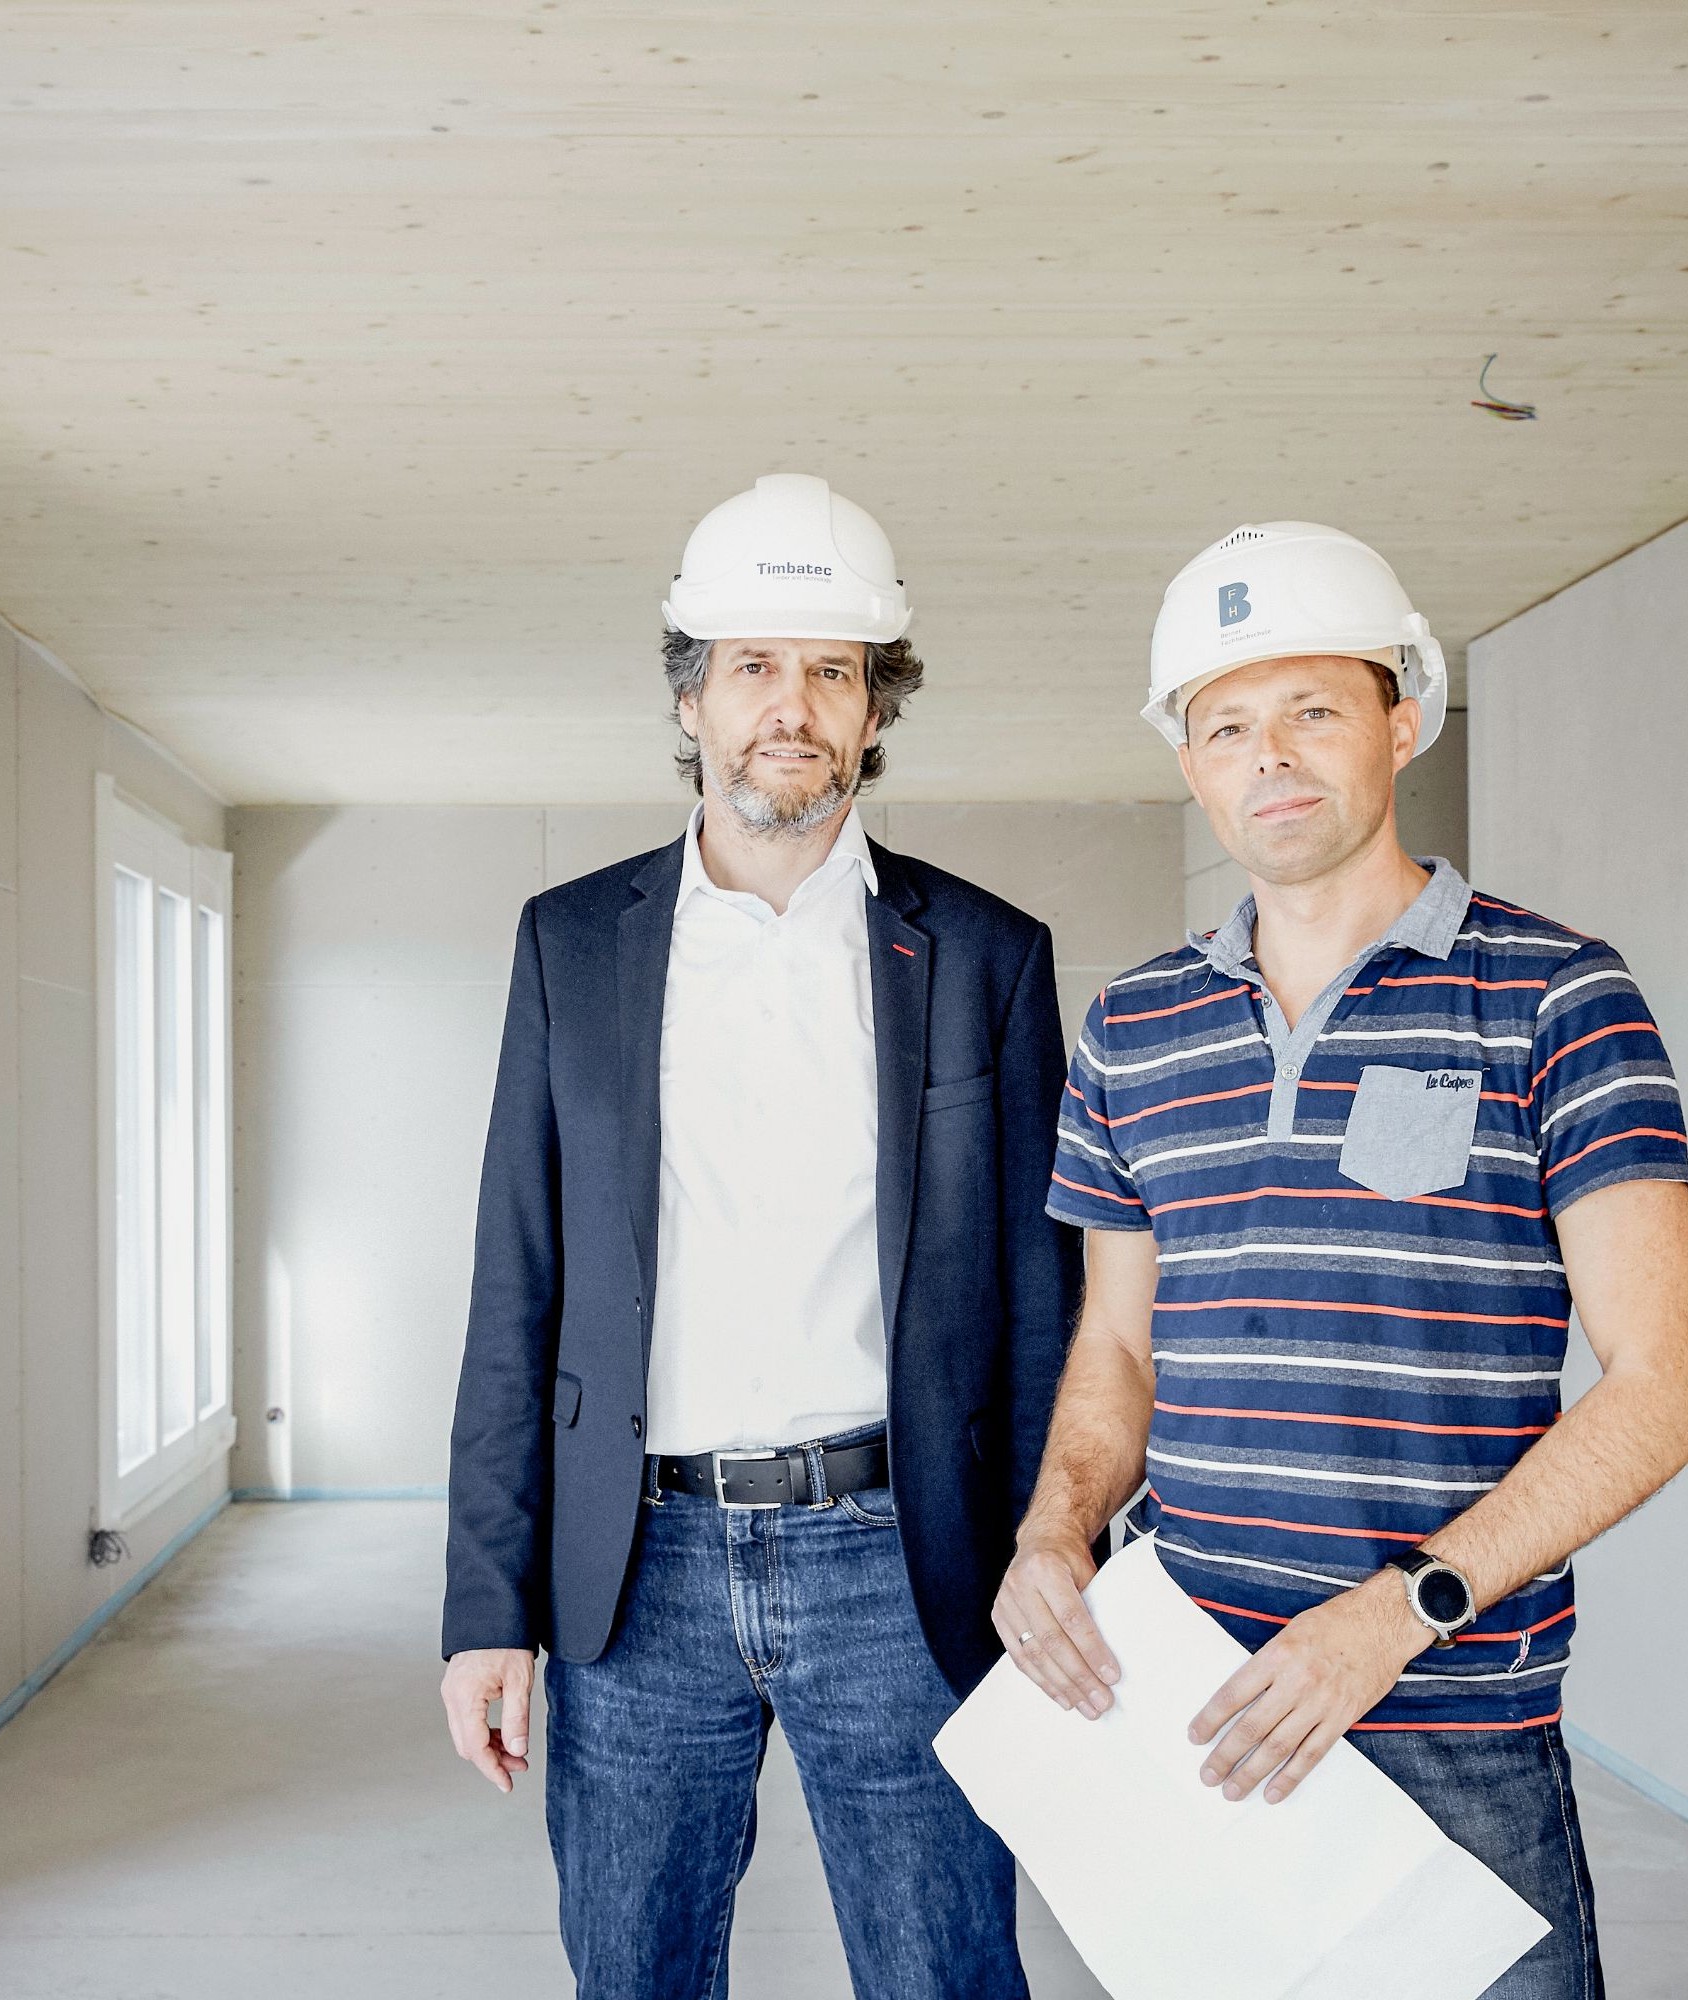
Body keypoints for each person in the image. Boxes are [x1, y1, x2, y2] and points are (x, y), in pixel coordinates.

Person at [1000, 520, 1688, 1997]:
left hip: (1450, 1723)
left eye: (1313, 707)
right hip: (1190, 1707)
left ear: (1403, 718)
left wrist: (1403, 1612)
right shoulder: (1133, 1026)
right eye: (1227, 725)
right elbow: (1119, 1345)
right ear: (1189, 764)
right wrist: (1055, 1533)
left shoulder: (1560, 997)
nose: (1272, 757)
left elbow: (1661, 1382)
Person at [440, 474, 1082, 1999]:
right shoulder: (571, 941)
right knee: (635, 1976)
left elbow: (1041, 1300)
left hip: (905, 1562)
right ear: (693, 694)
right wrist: (486, 1610)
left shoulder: (987, 953)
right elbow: (514, 1286)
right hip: (636, 1573)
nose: (789, 705)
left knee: (946, 1975)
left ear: (874, 707)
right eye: (753, 666)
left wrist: (1066, 1566)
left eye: (830, 670)